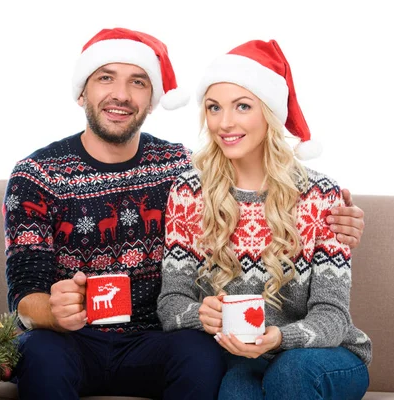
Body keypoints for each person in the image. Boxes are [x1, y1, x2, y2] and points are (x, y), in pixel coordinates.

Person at [3, 28, 365, 399]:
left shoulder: (179, 169)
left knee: (201, 355)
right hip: (68, 341)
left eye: (138, 82)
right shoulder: (38, 175)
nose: (121, 95)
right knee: (41, 352)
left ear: (153, 98)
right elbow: (24, 296)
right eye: (105, 78)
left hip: (155, 343)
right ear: (82, 91)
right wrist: (54, 310)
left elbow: (244, 177)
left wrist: (342, 222)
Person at [157, 39, 371, 400]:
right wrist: (200, 314)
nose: (225, 123)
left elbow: (333, 318)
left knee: (289, 373)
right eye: (214, 108)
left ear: (269, 112)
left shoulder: (320, 195)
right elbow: (170, 304)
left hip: (324, 356)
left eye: (242, 106)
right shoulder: (188, 193)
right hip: (243, 358)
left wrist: (280, 338)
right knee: (236, 390)